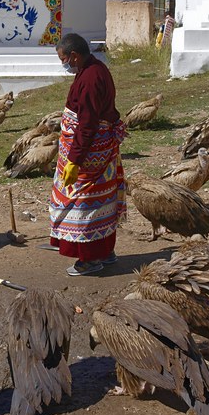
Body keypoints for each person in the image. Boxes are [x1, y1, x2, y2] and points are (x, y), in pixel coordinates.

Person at [50, 33, 127, 276]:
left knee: (82, 202)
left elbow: (87, 123)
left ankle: (89, 258)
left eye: (63, 59)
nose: (63, 63)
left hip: (88, 152)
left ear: (74, 56)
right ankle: (104, 250)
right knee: (101, 197)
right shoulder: (95, 68)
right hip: (98, 149)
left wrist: (74, 159)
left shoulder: (91, 79)